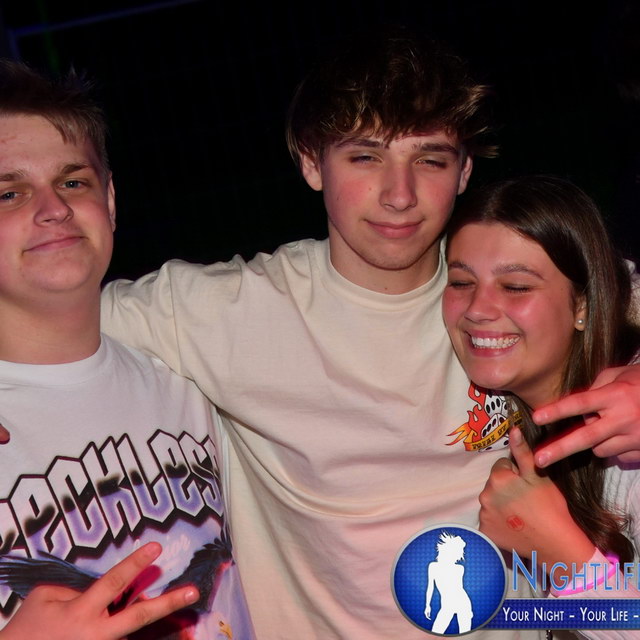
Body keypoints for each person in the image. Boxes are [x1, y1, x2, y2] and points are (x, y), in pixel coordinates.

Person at [100, 30, 640, 639]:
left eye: (430, 160)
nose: (399, 195)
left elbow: (610, 288)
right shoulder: (223, 310)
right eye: (365, 157)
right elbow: (47, 327)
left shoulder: (501, 289)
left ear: (464, 170)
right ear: (311, 161)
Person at [0, 61, 254, 640]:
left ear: (110, 200)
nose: (54, 208)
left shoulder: (193, 385)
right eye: (9, 193)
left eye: (73, 182)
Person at [442, 175, 640, 629]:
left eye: (515, 286)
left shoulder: (629, 437)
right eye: (461, 282)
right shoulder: (526, 407)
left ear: (583, 305)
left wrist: (562, 554)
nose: (477, 309)